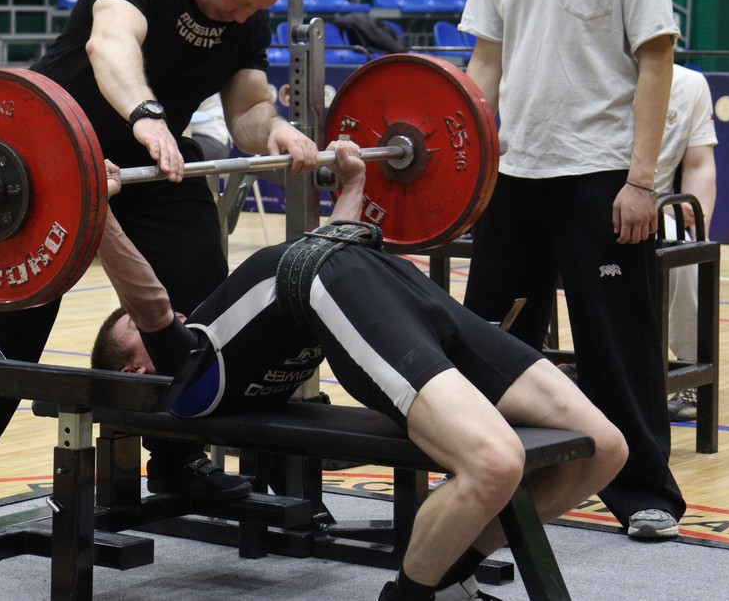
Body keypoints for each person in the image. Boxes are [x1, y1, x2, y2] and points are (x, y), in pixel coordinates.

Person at [91, 142, 629, 601]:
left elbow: (329, 254)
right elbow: (149, 298)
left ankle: (449, 577)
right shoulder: (187, 379)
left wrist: (355, 183)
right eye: (133, 332)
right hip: (333, 278)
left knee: (605, 449)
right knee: (494, 463)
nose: (175, 319)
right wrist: (99, 211)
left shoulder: (224, 341)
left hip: (368, 267)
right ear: (138, 370)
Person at [0, 0, 319, 499]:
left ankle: (176, 458)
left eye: (251, 10)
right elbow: (108, 41)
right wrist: (147, 115)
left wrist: (275, 131)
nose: (238, 16)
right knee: (18, 325)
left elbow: (247, 108)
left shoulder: (246, 13)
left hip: (149, 165)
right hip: (49, 161)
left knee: (200, 291)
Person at [458, 0, 685, 540]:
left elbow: (656, 61)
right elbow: (484, 62)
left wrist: (642, 178)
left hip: (600, 177)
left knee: (616, 343)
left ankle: (645, 493)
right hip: (512, 177)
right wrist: (470, 162)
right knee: (495, 341)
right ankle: (501, 483)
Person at [655, 63, 718, 421]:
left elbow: (698, 162)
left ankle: (690, 370)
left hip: (652, 203)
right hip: (580, 200)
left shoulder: (691, 83)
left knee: (682, 249)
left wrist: (698, 227)